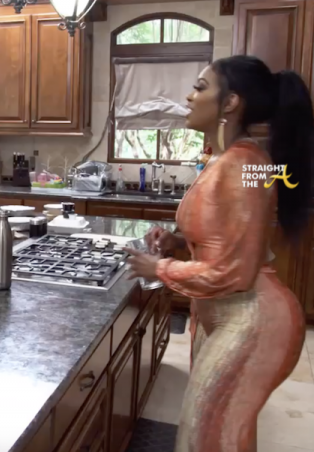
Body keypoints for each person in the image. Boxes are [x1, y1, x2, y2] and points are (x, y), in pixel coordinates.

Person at [126, 55, 311, 451]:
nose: (189, 97)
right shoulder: (226, 159)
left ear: (230, 102)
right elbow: (227, 238)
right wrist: (178, 242)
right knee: (215, 436)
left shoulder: (244, 164)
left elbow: (234, 273)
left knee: (208, 436)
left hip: (253, 320)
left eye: (200, 87)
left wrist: (159, 268)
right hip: (224, 315)